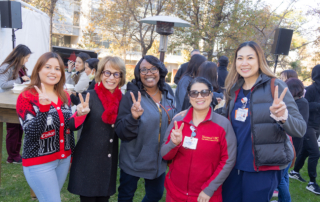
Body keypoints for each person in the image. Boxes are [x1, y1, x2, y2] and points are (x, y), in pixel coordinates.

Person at [221, 41, 306, 202]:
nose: (244, 63)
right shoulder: (234, 89)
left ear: (259, 60)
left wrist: (283, 117)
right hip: (233, 165)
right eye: (240, 58)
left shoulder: (275, 86)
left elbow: (300, 129)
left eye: (250, 58)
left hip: (263, 168)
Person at [161, 77, 237, 202]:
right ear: (189, 96)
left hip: (206, 196)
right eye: (194, 93)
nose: (199, 96)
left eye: (204, 92)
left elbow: (228, 160)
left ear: (211, 94)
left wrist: (209, 189)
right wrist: (174, 144)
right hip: (175, 193)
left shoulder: (223, 125)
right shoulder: (178, 121)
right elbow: (165, 155)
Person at [115, 55, 175, 202]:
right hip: (133, 159)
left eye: (153, 68)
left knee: (155, 195)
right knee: (126, 196)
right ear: (138, 73)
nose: (149, 73)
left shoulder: (167, 91)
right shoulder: (132, 95)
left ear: (160, 71)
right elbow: (121, 130)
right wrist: (133, 117)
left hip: (158, 160)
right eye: (144, 70)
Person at [16, 52, 75, 202]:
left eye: (57, 68)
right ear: (38, 69)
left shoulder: (64, 95)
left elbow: (67, 130)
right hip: (39, 162)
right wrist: (43, 109)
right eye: (48, 67)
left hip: (63, 159)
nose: (53, 72)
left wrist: (71, 155)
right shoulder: (26, 97)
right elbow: (31, 132)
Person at [68, 56, 126, 202]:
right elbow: (72, 126)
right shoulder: (90, 96)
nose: (111, 77)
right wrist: (80, 114)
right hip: (88, 163)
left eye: (116, 73)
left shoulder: (122, 99)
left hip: (107, 164)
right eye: (107, 72)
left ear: (121, 77)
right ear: (100, 74)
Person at [273, 78, 309, 202]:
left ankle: (285, 200)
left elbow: (299, 128)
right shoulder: (296, 102)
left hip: (290, 144)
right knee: (284, 176)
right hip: (289, 143)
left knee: (281, 178)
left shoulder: (301, 103)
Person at [289, 64, 320, 195]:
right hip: (308, 125)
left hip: (317, 125)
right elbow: (304, 104)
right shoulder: (311, 89)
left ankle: (295, 172)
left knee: (306, 151)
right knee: (315, 152)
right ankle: (312, 183)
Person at [0, 44, 32, 164]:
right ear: (20, 56)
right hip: (7, 101)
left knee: (19, 127)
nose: (27, 60)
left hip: (17, 100)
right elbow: (2, 85)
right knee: (13, 129)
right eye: (26, 57)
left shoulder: (19, 67)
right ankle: (12, 157)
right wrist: (21, 80)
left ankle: (15, 154)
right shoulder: (5, 67)